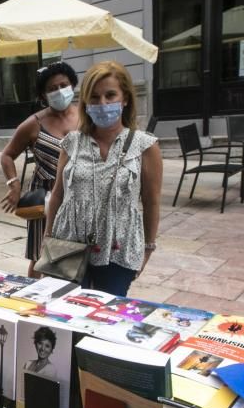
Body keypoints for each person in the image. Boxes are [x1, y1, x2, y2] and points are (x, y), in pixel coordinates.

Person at [45, 60, 162, 297]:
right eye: (94, 97)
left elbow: (151, 202)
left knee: (106, 317)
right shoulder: (72, 142)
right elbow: (58, 193)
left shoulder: (144, 146)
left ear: (125, 98)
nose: (103, 103)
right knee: (64, 313)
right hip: (68, 241)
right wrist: (47, 237)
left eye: (110, 95)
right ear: (86, 103)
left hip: (118, 246)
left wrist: (148, 247)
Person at [0, 62, 80, 277]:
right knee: (39, 256)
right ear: (43, 95)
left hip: (78, 196)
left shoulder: (86, 117)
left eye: (63, 85)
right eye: (52, 88)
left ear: (72, 85)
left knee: (76, 251)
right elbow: (7, 155)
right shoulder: (33, 124)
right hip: (44, 200)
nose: (59, 91)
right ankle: (33, 297)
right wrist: (13, 185)